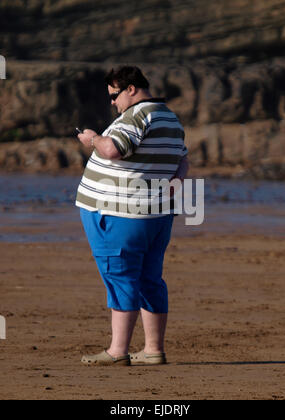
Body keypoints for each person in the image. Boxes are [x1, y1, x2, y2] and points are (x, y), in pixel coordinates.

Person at [76, 66, 189, 366]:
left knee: (121, 276)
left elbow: (113, 149)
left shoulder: (138, 115)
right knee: (149, 279)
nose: (112, 103)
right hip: (155, 215)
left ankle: (117, 351)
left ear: (131, 89)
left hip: (121, 215)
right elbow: (183, 162)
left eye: (114, 95)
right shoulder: (170, 118)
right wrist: (167, 189)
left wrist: (92, 139)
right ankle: (153, 349)